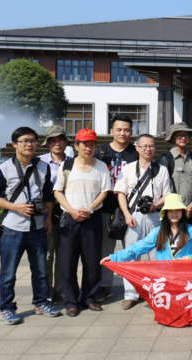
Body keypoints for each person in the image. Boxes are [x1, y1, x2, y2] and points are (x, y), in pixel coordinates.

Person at [0, 126, 60, 325]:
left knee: (40, 270)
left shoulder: (43, 166)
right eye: (24, 141)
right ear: (14, 144)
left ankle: (41, 302)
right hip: (13, 228)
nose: (29, 144)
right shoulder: (2, 169)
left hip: (38, 227)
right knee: (8, 273)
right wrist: (16, 207)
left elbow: (48, 195)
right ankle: (6, 308)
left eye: (33, 141)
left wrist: (48, 219)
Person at [53, 129, 112, 317]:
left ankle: (89, 298)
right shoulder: (67, 165)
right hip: (69, 219)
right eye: (85, 144)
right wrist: (71, 210)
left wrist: (90, 209)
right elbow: (58, 191)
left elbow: (105, 191)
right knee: (68, 261)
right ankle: (71, 301)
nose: (89, 148)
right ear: (76, 146)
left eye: (92, 144)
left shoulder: (101, 166)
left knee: (92, 261)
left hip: (92, 218)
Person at [112, 134, 171, 310]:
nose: (148, 149)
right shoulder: (128, 168)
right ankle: (131, 294)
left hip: (155, 216)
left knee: (156, 255)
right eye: (144, 146)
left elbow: (167, 194)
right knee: (131, 255)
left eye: (151, 146)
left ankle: (156, 292)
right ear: (137, 148)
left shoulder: (162, 169)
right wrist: (126, 214)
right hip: (133, 216)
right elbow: (121, 193)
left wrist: (156, 205)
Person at [95, 114, 139, 303]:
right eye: (119, 129)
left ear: (132, 132)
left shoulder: (136, 152)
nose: (123, 133)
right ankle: (105, 286)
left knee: (132, 250)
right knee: (106, 249)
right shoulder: (101, 152)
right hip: (106, 208)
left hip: (130, 210)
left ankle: (133, 288)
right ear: (111, 131)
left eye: (126, 130)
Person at [101, 194, 192, 265]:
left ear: (182, 212)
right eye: (170, 210)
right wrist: (115, 258)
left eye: (177, 210)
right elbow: (138, 248)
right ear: (165, 213)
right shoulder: (158, 232)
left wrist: (188, 258)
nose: (174, 213)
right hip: (164, 279)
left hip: (186, 279)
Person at [38, 125, 72, 303]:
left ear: (66, 142)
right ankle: (46, 291)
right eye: (52, 140)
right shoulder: (39, 162)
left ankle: (60, 289)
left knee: (63, 254)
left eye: (60, 140)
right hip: (46, 214)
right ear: (47, 143)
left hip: (68, 213)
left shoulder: (74, 162)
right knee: (47, 254)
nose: (57, 143)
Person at [159, 122, 192, 225]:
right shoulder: (166, 159)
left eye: (186, 135)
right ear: (172, 138)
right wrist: (177, 207)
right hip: (174, 213)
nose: (183, 138)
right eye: (179, 135)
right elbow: (164, 187)